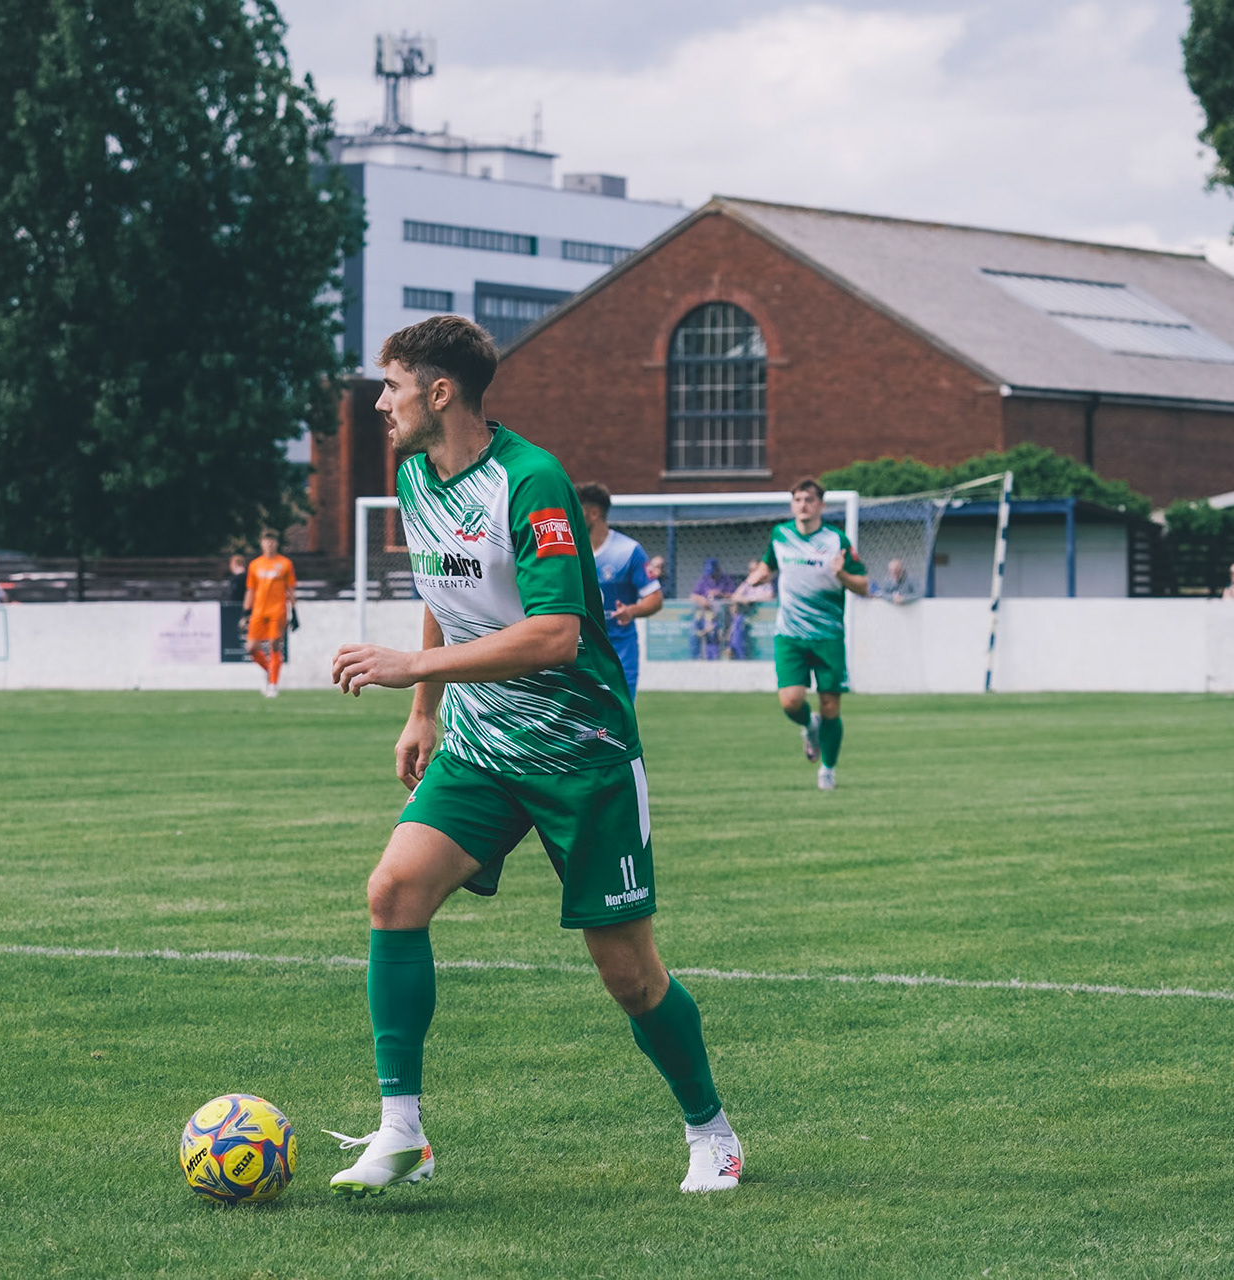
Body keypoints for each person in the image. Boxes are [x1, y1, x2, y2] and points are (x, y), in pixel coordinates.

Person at [326, 315, 741, 1198]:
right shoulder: (414, 475)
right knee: (394, 891)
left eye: (392, 386)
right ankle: (403, 1134)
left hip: (580, 753)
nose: (380, 403)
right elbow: (442, 587)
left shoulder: (532, 479)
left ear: (440, 392)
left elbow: (556, 635)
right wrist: (425, 714)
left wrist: (411, 671)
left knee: (629, 975)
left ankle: (712, 1131)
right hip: (480, 745)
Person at [734, 478, 868, 791]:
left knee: (831, 706)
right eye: (797, 500)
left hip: (828, 635)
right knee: (791, 702)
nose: (803, 505)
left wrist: (841, 573)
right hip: (790, 635)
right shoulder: (780, 535)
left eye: (809, 499)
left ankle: (827, 770)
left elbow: (863, 585)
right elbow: (768, 566)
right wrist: (753, 581)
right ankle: (810, 725)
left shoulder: (836, 540)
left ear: (821, 505)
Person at [577, 482, 661, 696]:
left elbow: (655, 597)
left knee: (621, 711)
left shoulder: (628, 551)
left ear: (593, 513)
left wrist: (631, 611)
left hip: (620, 650)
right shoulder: (571, 552)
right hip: (581, 650)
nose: (571, 516)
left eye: (577, 510)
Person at [243, 531, 296, 697]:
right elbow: (250, 590)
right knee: (251, 648)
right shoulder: (255, 565)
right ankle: (270, 670)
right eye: (267, 541)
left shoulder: (285, 563)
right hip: (258, 611)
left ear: (276, 543)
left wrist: (294, 612)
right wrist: (245, 612)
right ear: (262, 543)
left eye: (272, 541)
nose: (269, 544)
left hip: (277, 610)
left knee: (274, 644)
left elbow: (290, 589)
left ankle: (272, 685)